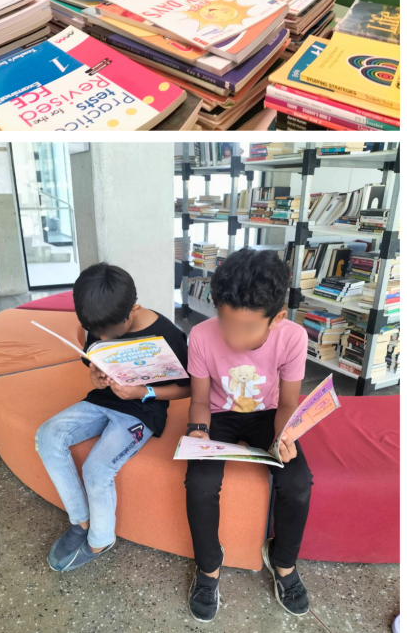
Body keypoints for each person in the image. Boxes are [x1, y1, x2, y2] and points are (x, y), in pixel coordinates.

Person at [35, 262, 190, 572]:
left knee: (97, 468)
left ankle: (100, 538)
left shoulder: (168, 334)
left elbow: (188, 388)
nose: (101, 336)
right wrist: (95, 375)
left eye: (109, 332)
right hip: (103, 399)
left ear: (133, 310)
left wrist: (142, 392)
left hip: (143, 409)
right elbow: (93, 358)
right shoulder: (99, 322)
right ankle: (80, 521)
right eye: (96, 332)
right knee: (47, 436)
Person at [184, 248, 312, 622]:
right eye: (225, 322)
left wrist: (284, 437)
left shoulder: (293, 338)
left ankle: (283, 562)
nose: (234, 338)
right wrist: (199, 432)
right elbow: (200, 401)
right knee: (200, 483)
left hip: (269, 416)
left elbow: (288, 403)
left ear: (278, 319)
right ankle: (208, 568)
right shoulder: (202, 336)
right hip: (219, 415)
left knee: (298, 480)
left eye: (248, 328)